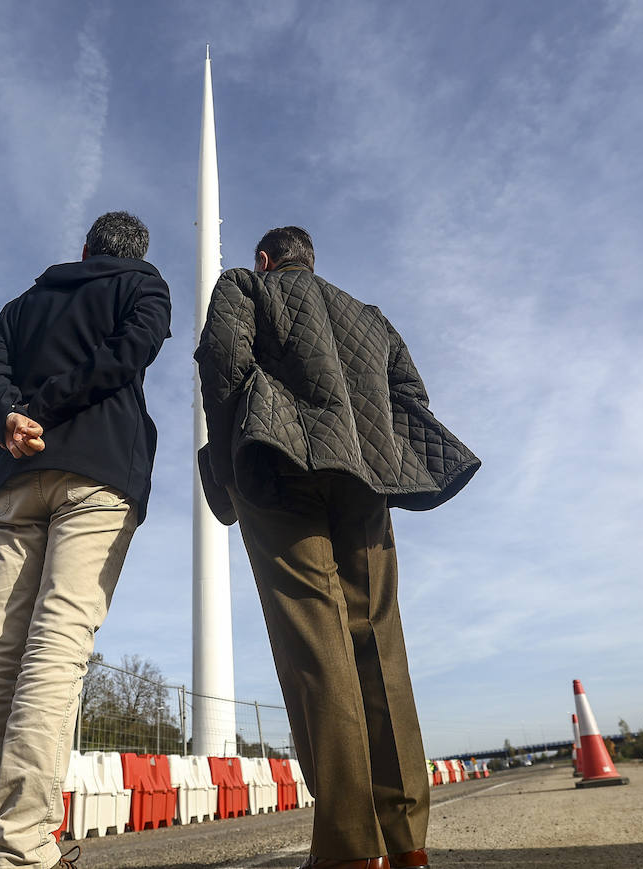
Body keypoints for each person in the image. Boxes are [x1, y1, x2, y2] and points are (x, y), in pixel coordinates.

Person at [195, 226, 479, 869]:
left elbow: (222, 367)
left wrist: (230, 468)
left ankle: (352, 849)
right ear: (312, 261)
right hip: (365, 477)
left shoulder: (244, 286)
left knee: (314, 647)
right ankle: (407, 843)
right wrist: (377, 447)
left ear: (266, 260)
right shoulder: (367, 314)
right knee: (379, 642)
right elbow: (411, 395)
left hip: (278, 469)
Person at [0, 211, 171, 869]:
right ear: (135, 254)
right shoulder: (144, 285)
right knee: (57, 644)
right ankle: (23, 842)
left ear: (83, 248)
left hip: (17, 478)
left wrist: (9, 412)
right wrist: (50, 406)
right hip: (96, 471)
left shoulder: (24, 304)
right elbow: (132, 352)